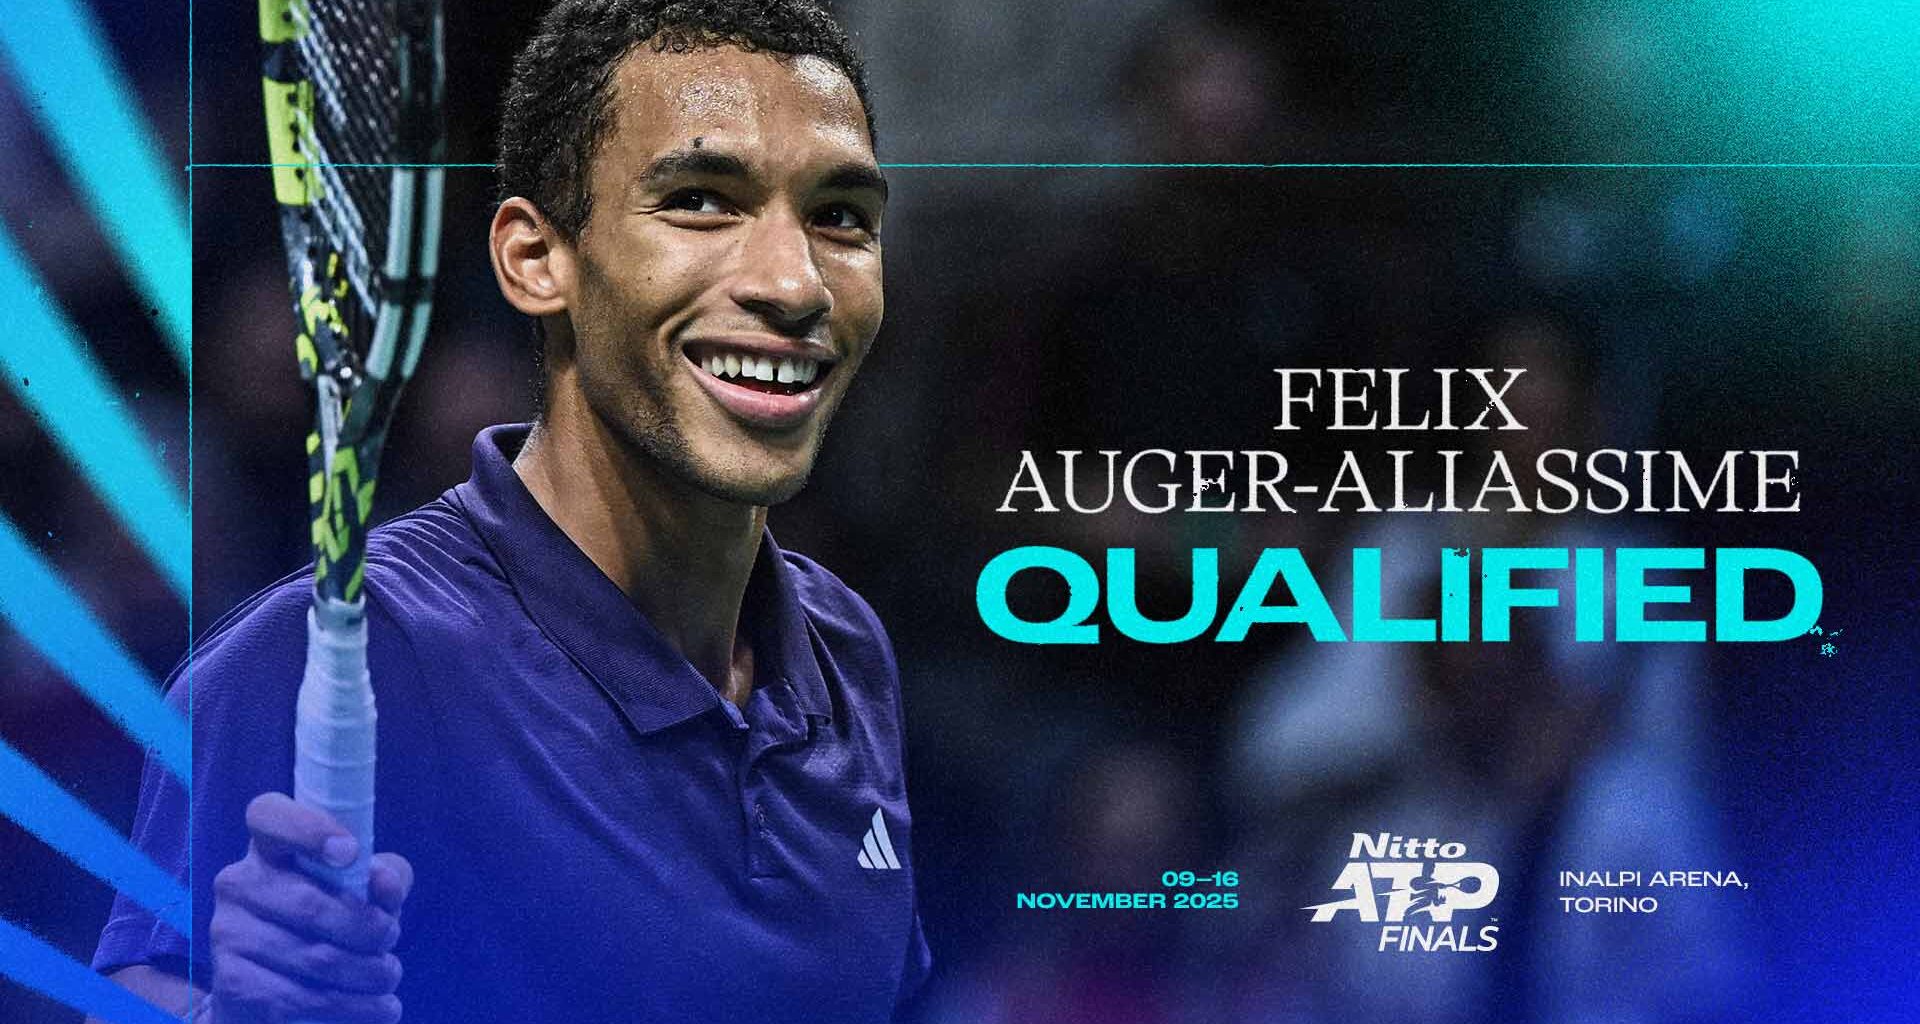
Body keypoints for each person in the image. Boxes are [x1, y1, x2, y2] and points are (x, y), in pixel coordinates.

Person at [91, 1, 930, 1020]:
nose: (795, 284)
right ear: (537, 259)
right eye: (702, 201)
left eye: (841, 216)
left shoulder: (846, 652)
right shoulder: (312, 662)